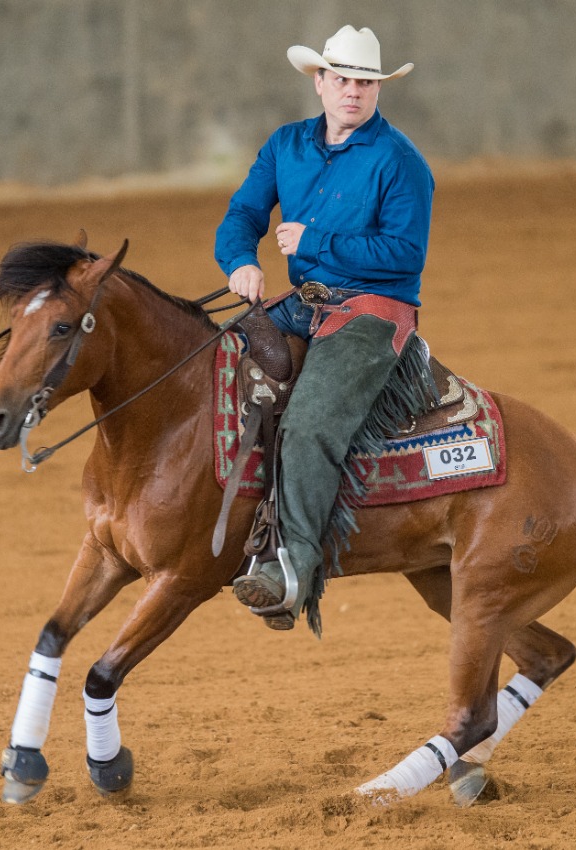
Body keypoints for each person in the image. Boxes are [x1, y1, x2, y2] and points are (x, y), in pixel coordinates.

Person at [214, 25, 436, 633]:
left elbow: (404, 255)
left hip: (372, 312)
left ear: (378, 90)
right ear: (319, 82)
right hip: (303, 303)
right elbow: (242, 214)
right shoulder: (286, 145)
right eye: (342, 80)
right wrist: (241, 262)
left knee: (311, 422)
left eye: (366, 83)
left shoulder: (401, 162)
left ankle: (294, 568)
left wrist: (317, 240)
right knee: (213, 364)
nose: (353, 92)